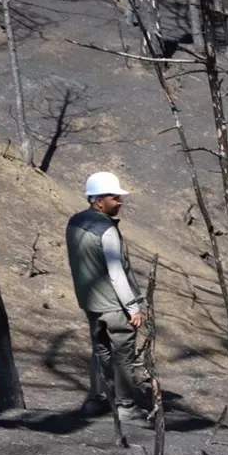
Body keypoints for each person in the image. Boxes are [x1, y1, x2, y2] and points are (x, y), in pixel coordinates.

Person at [65, 172, 149, 420]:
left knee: (99, 351)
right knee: (123, 354)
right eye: (115, 197)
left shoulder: (74, 222)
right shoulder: (107, 230)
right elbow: (116, 273)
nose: (120, 202)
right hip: (115, 306)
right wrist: (132, 306)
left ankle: (96, 399)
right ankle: (125, 406)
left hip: (90, 302)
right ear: (98, 200)